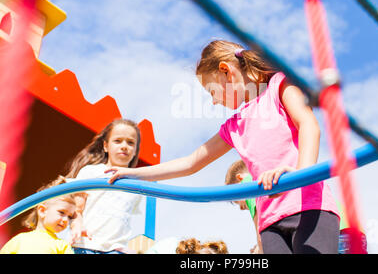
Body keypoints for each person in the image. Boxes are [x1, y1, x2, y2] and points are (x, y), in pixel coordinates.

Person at [107, 40, 340, 254]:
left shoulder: (278, 86)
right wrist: (133, 172)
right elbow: (190, 163)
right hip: (270, 221)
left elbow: (309, 125)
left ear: (226, 72)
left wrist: (299, 175)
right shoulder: (233, 126)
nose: (214, 101)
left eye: (212, 92)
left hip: (308, 204)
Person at [66, 118, 144, 254]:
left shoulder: (135, 186)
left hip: (116, 250)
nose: (124, 146)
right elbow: (76, 208)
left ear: (135, 150)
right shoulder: (91, 172)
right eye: (118, 141)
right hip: (86, 245)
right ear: (106, 146)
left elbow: (125, 219)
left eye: (130, 143)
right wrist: (76, 225)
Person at [0, 176, 76, 254]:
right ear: (42, 211)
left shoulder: (62, 246)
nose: (66, 220)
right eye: (61, 212)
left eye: (70, 217)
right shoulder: (19, 240)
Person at [225, 159, 263, 254]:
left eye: (237, 200)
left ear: (240, 178)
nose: (241, 208)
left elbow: (260, 234)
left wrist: (259, 250)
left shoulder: (248, 184)